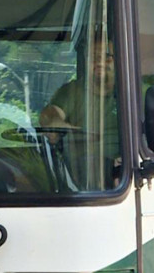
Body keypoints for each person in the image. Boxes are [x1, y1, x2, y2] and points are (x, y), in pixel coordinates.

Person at [38, 37, 120, 191]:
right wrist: (57, 125)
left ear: (119, 60)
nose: (99, 62)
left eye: (106, 56)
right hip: (83, 176)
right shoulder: (72, 91)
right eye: (93, 57)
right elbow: (49, 115)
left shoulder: (136, 93)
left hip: (127, 173)